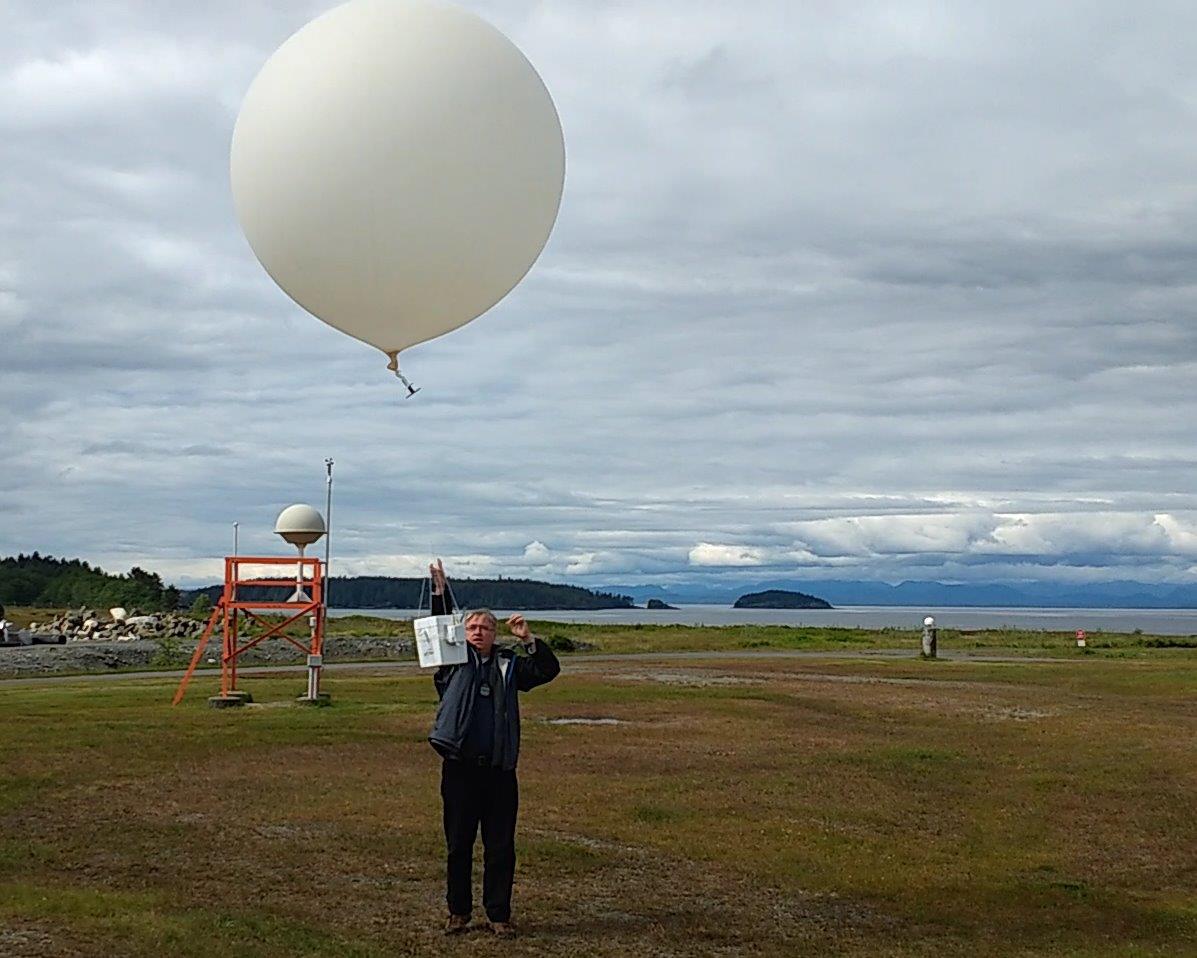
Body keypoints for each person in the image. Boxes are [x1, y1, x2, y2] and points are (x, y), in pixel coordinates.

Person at [426, 559, 560, 939]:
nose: (477, 632)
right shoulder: (450, 663)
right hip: (460, 769)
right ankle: (458, 912)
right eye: (471, 627)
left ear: (495, 632)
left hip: (500, 771)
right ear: (463, 632)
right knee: (458, 846)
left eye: (484, 627)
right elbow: (438, 632)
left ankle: (498, 915)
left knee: (501, 847)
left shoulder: (509, 664)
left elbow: (548, 671)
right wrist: (440, 591)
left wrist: (528, 639)